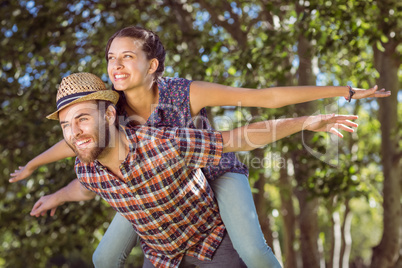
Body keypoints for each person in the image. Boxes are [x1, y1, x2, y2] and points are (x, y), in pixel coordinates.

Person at [11, 26, 390, 268]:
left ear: (153, 64)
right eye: (111, 58)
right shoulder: (111, 111)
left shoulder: (182, 93)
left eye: (127, 56)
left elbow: (266, 99)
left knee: (254, 251)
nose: (116, 65)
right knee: (105, 257)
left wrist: (344, 92)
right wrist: (33, 167)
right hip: (156, 185)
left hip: (213, 169)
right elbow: (79, 143)